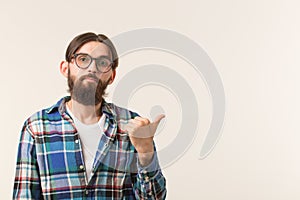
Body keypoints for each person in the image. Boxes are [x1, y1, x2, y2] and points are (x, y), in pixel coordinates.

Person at [13, 32, 167, 199]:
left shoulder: (131, 126)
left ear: (112, 76)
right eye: (83, 59)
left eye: (102, 62)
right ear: (65, 68)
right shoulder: (36, 127)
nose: (92, 68)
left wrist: (146, 152)